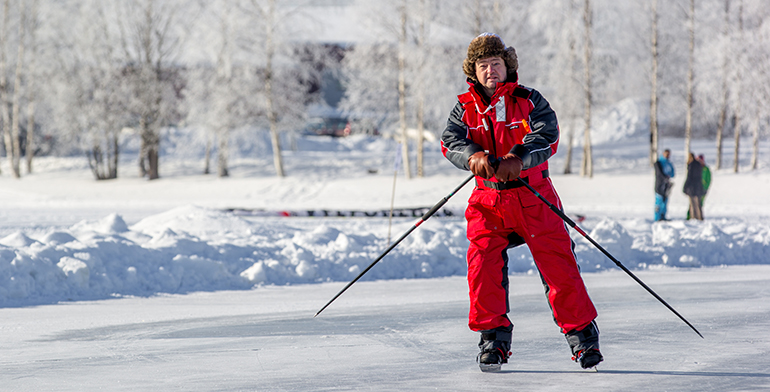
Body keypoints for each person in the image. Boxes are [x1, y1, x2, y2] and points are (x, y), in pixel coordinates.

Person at [440, 33, 601, 372]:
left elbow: (547, 133)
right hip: (488, 200)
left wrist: (520, 156)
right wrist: (473, 157)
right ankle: (493, 342)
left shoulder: (529, 100)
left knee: (559, 266)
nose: (490, 71)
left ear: (507, 65)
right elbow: (450, 140)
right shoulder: (464, 107)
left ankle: (583, 340)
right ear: (473, 70)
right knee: (481, 267)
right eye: (482, 65)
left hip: (533, 197)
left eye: (495, 64)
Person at [687, 154, 711, 219]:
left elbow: (708, 179)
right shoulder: (696, 167)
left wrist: (705, 187)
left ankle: (699, 217)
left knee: (699, 203)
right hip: (696, 188)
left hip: (702, 189)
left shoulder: (705, 169)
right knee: (693, 203)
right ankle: (690, 217)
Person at [653, 149, 675, 221]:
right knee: (659, 201)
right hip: (659, 185)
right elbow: (659, 173)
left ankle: (663, 216)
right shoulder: (658, 162)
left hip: (666, 185)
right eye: (666, 154)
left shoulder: (669, 163)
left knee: (665, 201)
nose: (667, 155)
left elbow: (672, 173)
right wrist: (665, 177)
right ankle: (657, 217)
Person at [683, 152, 706, 220]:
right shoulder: (698, 165)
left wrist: (685, 187)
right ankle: (700, 217)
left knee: (693, 204)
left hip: (692, 188)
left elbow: (689, 177)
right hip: (699, 187)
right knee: (698, 204)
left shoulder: (691, 165)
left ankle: (694, 217)